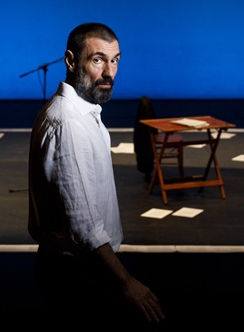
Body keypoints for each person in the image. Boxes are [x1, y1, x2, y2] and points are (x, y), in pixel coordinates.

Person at [27, 22, 165, 325]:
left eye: (115, 60)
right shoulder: (69, 124)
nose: (109, 72)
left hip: (84, 267)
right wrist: (126, 282)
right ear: (71, 60)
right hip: (79, 274)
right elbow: (84, 226)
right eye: (98, 60)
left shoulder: (83, 113)